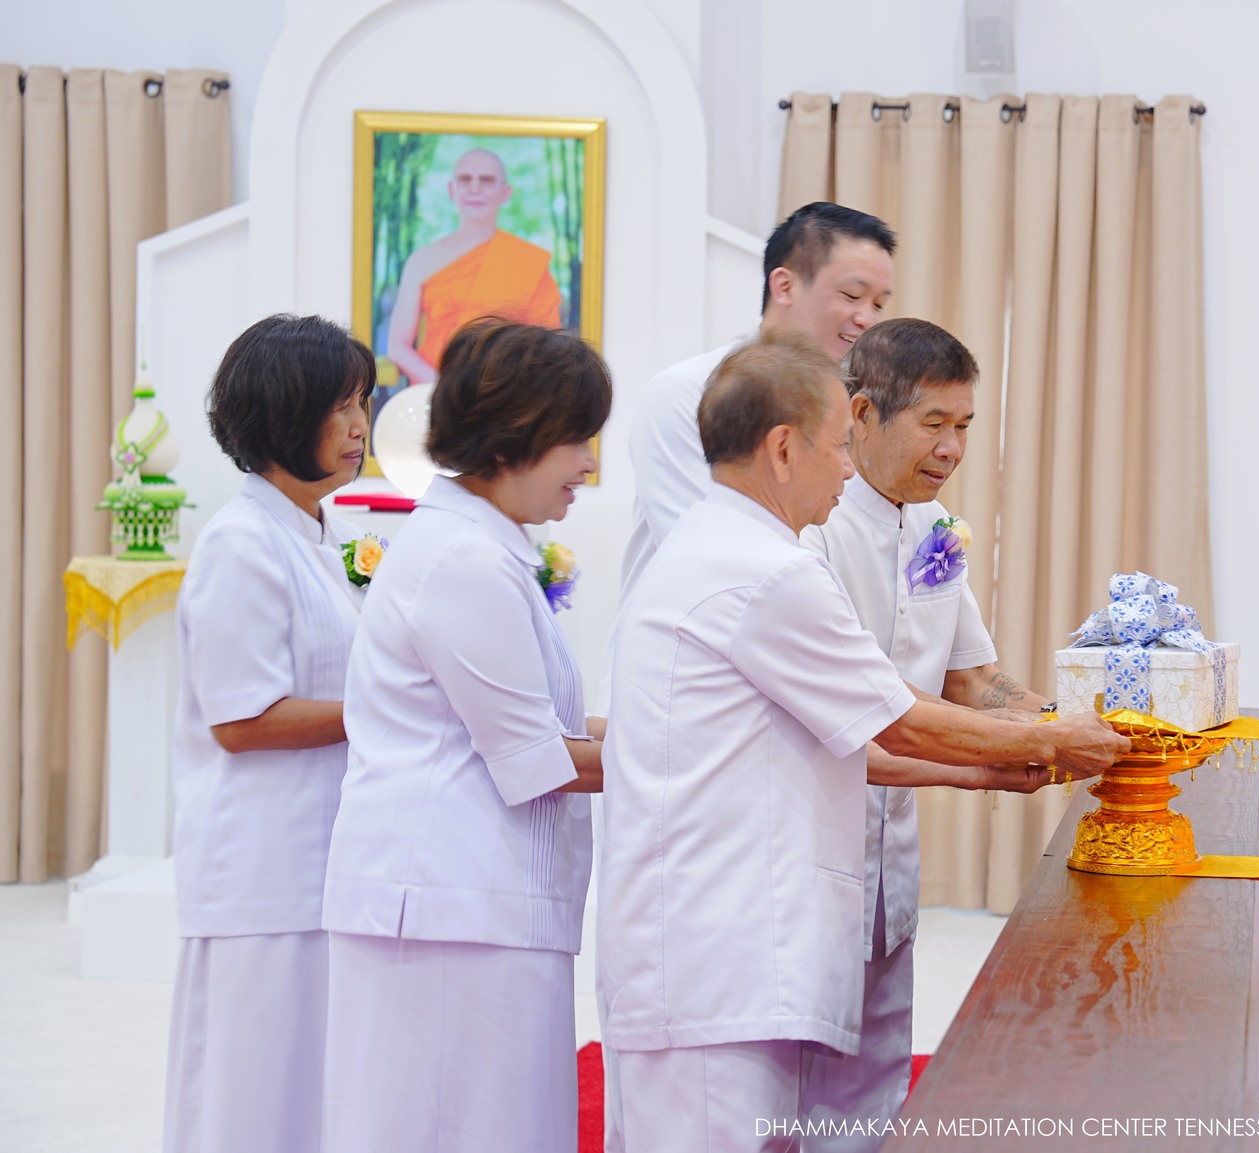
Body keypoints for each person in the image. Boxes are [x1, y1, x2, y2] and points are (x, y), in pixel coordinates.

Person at [600, 332, 1129, 1152]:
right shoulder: (770, 565)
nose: (846, 468)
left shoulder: (735, 546)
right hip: (718, 936)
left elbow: (958, 682)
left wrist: (1038, 739)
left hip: (757, 914)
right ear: (784, 448)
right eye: (838, 445)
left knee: (840, 1110)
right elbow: (895, 716)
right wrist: (1052, 747)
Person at [321, 320, 609, 1151]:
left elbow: (542, 723)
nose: (589, 464)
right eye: (577, 439)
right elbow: (540, 762)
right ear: (515, 439)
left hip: (470, 899)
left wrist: (662, 732)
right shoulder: (463, 561)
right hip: (449, 905)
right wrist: (696, 755)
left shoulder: (485, 547)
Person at [794, 318, 1067, 1148]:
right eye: (935, 425)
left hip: (892, 852)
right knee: (801, 1081)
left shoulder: (934, 529)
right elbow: (873, 708)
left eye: (965, 428)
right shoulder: (814, 529)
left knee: (880, 1071)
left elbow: (973, 680)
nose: (952, 449)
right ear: (865, 414)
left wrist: (1073, 725)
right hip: (812, 842)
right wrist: (1030, 752)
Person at [163, 314, 373, 1153]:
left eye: (362, 403)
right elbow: (242, 719)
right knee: (251, 1099)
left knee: (304, 1095)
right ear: (286, 414)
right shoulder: (240, 542)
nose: (361, 426)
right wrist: (394, 709)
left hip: (316, 855)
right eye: (343, 407)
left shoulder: (316, 535)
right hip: (261, 865)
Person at [619, 201, 895, 598]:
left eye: (879, 304)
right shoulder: (686, 392)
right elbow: (711, 560)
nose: (867, 318)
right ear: (784, 286)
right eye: (852, 295)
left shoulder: (850, 404)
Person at [385, 149, 564, 386]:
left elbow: (546, 346)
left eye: (486, 180)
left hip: (505, 396)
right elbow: (397, 347)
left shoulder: (526, 263)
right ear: (452, 190)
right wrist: (441, 388)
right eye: (465, 179)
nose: (475, 188)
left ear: (505, 193)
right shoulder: (421, 261)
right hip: (432, 392)